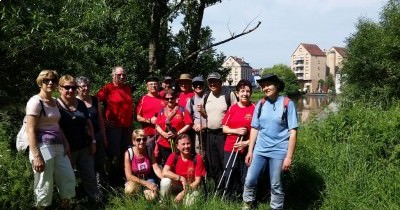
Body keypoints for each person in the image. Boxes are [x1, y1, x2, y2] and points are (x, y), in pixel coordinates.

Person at [242, 74, 298, 210]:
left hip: (279, 150)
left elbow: (293, 132)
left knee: (276, 184)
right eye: (263, 86)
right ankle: (247, 204)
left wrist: (289, 157)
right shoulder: (261, 104)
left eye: (268, 84)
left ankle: (276, 207)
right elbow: (255, 128)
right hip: (260, 149)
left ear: (277, 85)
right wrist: (250, 151)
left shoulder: (287, 103)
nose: (265, 88)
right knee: (250, 179)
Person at [26, 70, 75, 209]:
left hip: (59, 146)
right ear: (40, 82)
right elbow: (30, 130)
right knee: (45, 180)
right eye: (46, 80)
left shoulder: (54, 102)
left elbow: (57, 125)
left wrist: (66, 144)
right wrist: (36, 156)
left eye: (53, 80)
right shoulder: (35, 102)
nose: (50, 83)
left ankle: (66, 205)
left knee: (67, 177)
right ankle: (42, 206)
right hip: (44, 147)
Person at [57, 75, 100, 205]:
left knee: (90, 176)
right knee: (67, 178)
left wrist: (93, 141)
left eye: (73, 87)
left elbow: (89, 123)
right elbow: (57, 128)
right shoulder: (56, 106)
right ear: (59, 88)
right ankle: (68, 203)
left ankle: (95, 202)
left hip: (84, 147)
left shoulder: (80, 103)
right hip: (66, 150)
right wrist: (66, 146)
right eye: (67, 87)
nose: (71, 90)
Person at [96, 66, 134, 186]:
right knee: (112, 155)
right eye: (119, 75)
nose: (122, 77)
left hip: (127, 127)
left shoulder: (127, 88)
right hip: (114, 128)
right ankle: (107, 181)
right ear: (113, 76)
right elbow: (94, 102)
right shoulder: (108, 88)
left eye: (123, 75)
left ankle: (123, 178)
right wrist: (104, 120)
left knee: (126, 154)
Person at [198, 72, 237, 186]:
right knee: (213, 162)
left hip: (223, 134)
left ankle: (229, 187)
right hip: (210, 134)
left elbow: (235, 112)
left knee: (224, 161)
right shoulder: (206, 96)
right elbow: (207, 116)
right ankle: (218, 186)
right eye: (210, 81)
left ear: (220, 82)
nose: (212, 83)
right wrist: (202, 112)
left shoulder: (228, 95)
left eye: (215, 81)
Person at [220, 79, 255, 198]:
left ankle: (245, 198)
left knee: (245, 176)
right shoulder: (232, 108)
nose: (245, 94)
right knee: (229, 174)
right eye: (242, 91)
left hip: (248, 149)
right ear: (237, 93)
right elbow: (224, 128)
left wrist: (246, 143)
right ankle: (228, 197)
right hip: (231, 148)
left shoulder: (255, 108)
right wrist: (236, 131)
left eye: (248, 91)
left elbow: (260, 132)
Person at [76, 76, 108, 192]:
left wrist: (104, 136)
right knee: (87, 164)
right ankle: (86, 188)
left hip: (98, 135)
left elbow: (100, 119)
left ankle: (100, 187)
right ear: (77, 88)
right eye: (83, 86)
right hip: (84, 138)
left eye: (88, 86)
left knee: (100, 162)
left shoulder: (95, 100)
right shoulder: (75, 102)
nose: (86, 88)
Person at [160, 134, 206, 205]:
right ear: (177, 146)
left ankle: (179, 201)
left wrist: (183, 193)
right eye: (183, 144)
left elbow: (197, 181)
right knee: (165, 181)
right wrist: (180, 178)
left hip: (191, 187)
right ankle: (164, 204)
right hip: (177, 185)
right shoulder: (174, 156)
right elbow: (164, 172)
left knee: (189, 204)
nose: (186, 146)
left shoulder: (197, 158)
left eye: (188, 143)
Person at [155, 90, 192, 166]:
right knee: (167, 163)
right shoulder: (162, 111)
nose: (169, 100)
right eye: (167, 99)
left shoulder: (182, 110)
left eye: (172, 98)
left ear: (176, 98)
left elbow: (188, 124)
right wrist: (163, 133)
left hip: (179, 143)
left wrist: (177, 133)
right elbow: (157, 125)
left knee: (178, 162)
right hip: (164, 143)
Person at [124, 129, 163, 200]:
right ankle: (136, 198)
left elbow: (156, 168)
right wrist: (146, 184)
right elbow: (128, 176)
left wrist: (163, 179)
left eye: (144, 139)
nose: (141, 142)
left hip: (148, 177)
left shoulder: (149, 150)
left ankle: (145, 194)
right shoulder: (128, 153)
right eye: (138, 140)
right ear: (133, 141)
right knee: (129, 190)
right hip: (134, 180)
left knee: (152, 197)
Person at [136, 76, 164, 157]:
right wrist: (149, 120)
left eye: (155, 84)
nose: (153, 86)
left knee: (161, 156)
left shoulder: (163, 99)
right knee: (148, 155)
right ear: (147, 87)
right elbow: (138, 117)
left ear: (158, 86)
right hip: (148, 134)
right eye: (151, 84)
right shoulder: (143, 99)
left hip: (162, 134)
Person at [186, 75, 207, 154]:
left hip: (208, 129)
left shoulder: (208, 98)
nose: (198, 86)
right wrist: (193, 125)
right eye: (195, 84)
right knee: (198, 150)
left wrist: (204, 126)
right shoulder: (191, 100)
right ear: (192, 86)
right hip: (197, 131)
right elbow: (188, 117)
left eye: (200, 84)